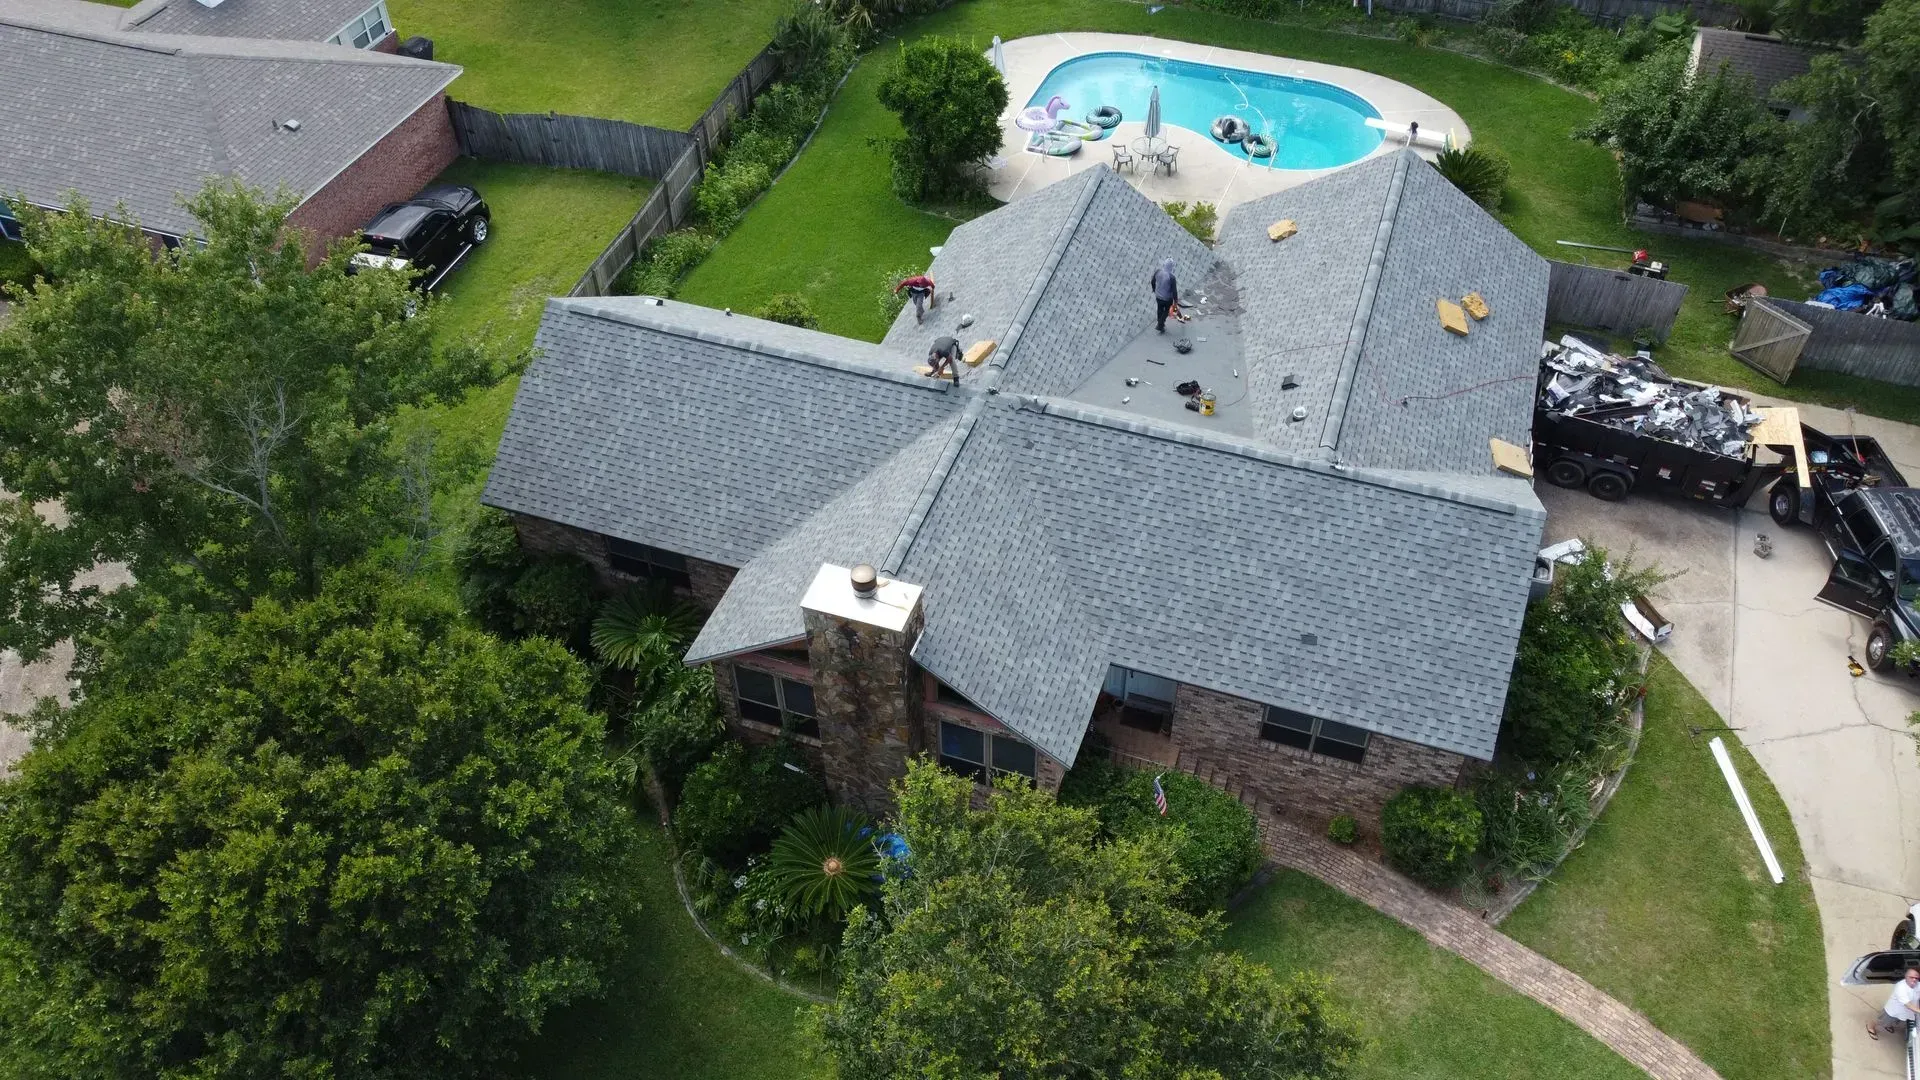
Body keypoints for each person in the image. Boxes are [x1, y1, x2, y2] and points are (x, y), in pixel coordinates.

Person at [1870, 965, 1920, 1040]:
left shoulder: (1918, 985)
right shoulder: (1901, 987)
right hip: (1893, 1011)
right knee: (1881, 1022)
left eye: (1916, 978)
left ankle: (1888, 1025)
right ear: (1906, 976)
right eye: (1911, 977)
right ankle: (1870, 1026)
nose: (1914, 980)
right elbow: (1908, 1005)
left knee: (1898, 1024)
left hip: (1906, 1014)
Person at [1150, 258, 1178, 333]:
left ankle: (1160, 323)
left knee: (1159, 309)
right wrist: (1176, 301)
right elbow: (1174, 291)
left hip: (1158, 296)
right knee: (1167, 311)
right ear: (1172, 267)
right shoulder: (1172, 277)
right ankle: (1160, 324)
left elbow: (1152, 281)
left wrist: (1154, 288)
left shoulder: (1158, 272)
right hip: (1167, 298)